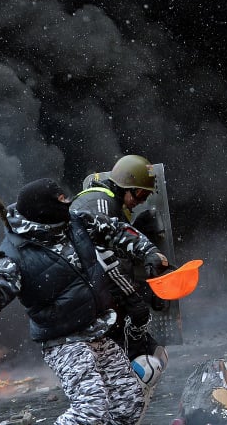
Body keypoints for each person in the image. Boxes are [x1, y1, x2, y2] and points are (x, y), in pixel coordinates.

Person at [0, 178, 168, 425]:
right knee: (91, 409)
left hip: (99, 331)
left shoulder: (77, 222)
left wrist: (148, 252)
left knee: (128, 403)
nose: (67, 202)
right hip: (64, 343)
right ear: (44, 209)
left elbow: (115, 230)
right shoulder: (14, 255)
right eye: (60, 200)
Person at [72, 155, 166, 362]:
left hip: (98, 295)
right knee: (141, 359)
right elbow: (104, 260)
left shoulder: (105, 201)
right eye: (140, 194)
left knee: (147, 356)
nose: (141, 201)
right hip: (96, 300)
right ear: (125, 186)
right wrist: (133, 298)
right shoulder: (101, 204)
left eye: (146, 196)